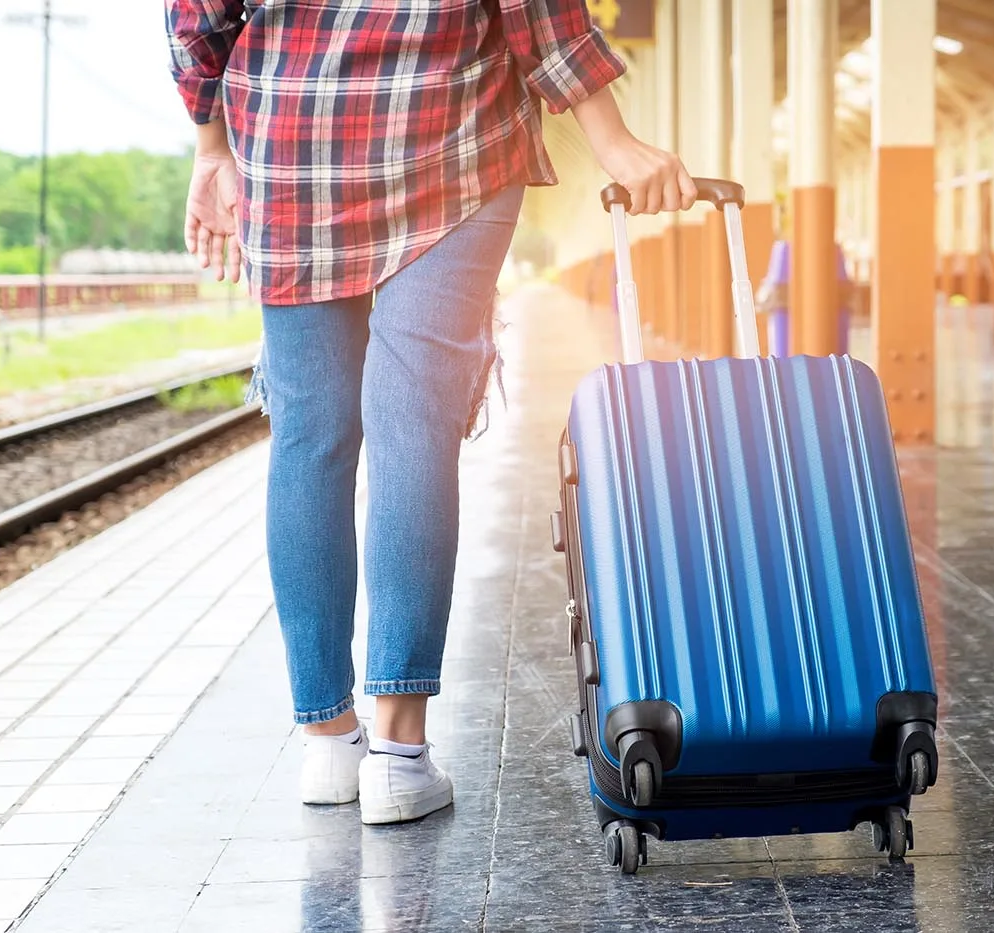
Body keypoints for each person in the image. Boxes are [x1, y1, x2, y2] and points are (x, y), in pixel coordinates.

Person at [165, 0, 694, 825]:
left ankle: (327, 743)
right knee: (413, 426)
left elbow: (197, 15)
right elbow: (540, 14)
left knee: (309, 437)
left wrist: (211, 146)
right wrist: (612, 141)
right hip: (453, 138)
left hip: (292, 142)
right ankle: (399, 755)